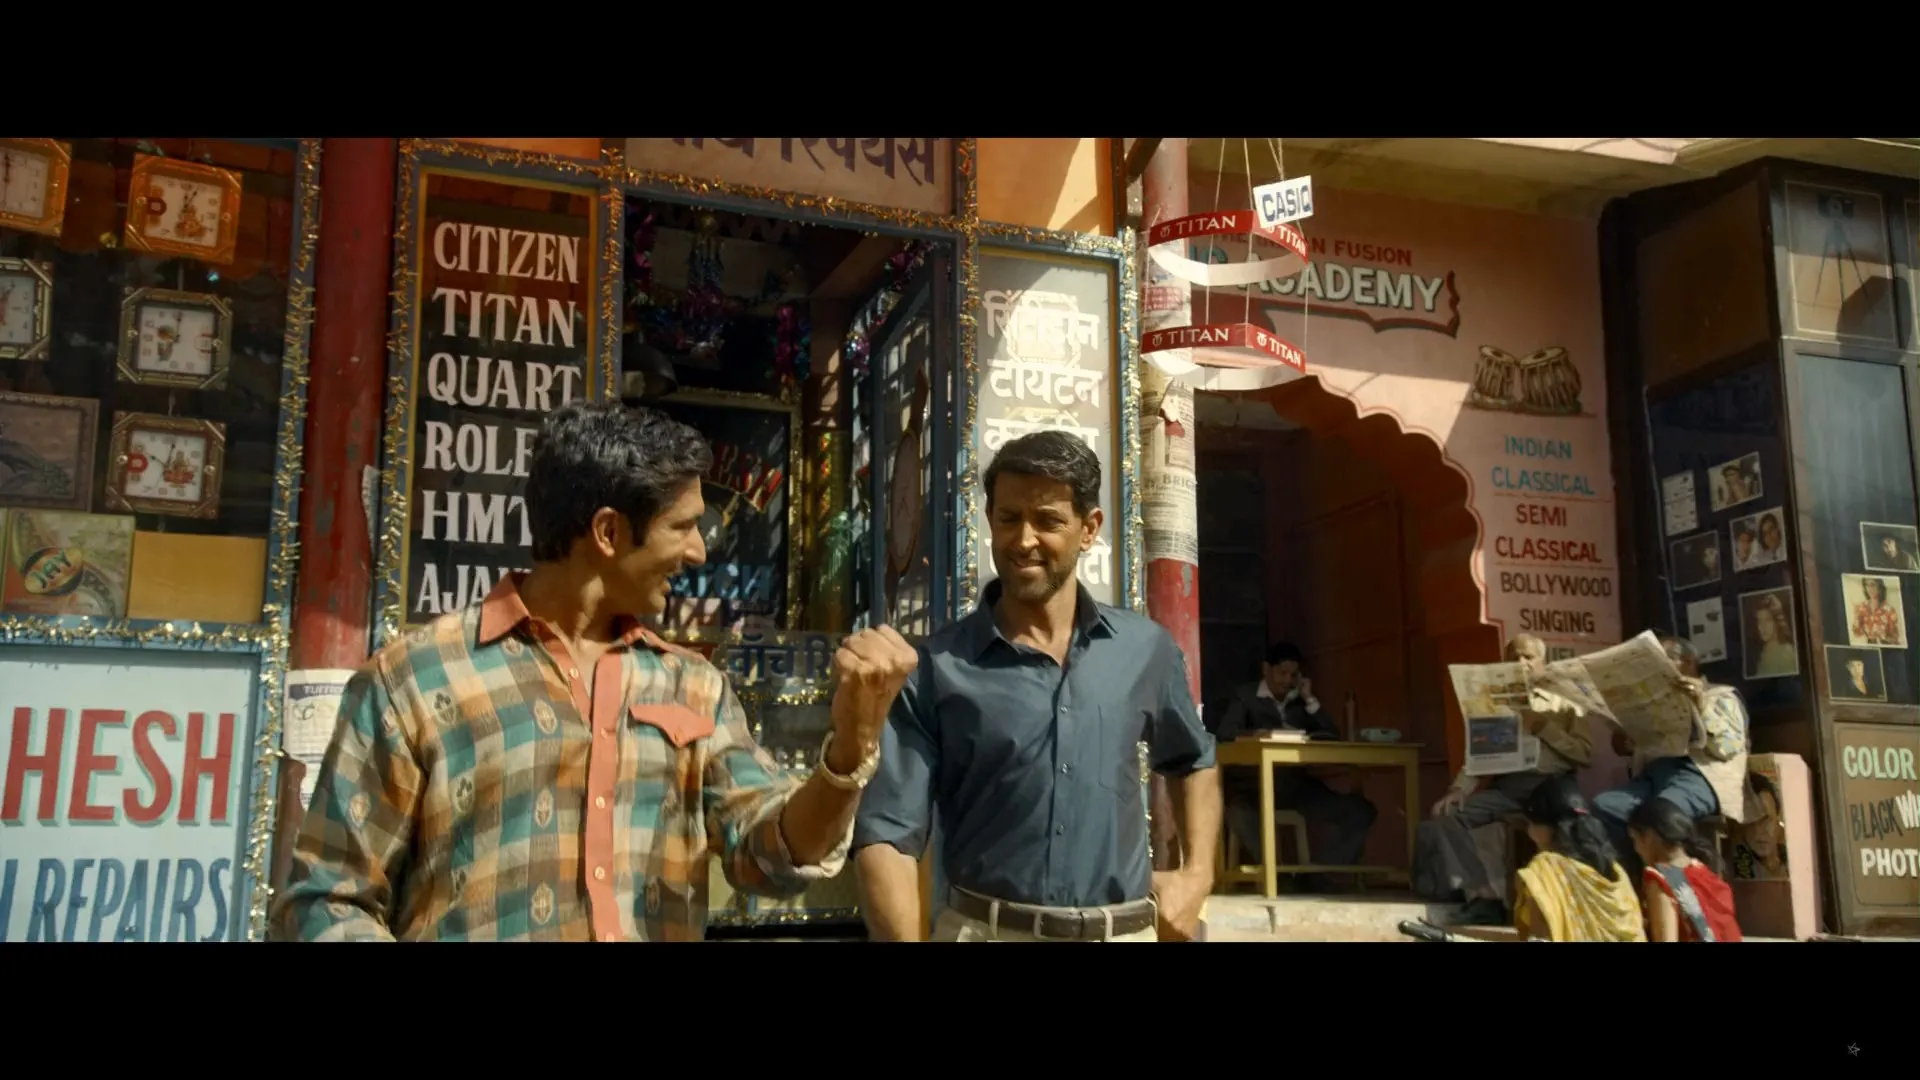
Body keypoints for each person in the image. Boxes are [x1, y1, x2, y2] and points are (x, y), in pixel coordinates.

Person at [271, 403, 918, 941]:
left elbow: (768, 856)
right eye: (683, 526)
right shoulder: (415, 678)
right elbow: (326, 899)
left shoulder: (694, 685)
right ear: (608, 532)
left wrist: (850, 748)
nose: (699, 551)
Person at [853, 431, 1221, 942]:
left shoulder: (1145, 651)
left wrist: (1197, 874)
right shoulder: (936, 668)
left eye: (1047, 521)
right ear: (989, 519)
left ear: (1089, 529)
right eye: (1009, 518)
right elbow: (888, 834)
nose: (1024, 540)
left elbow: (1193, 761)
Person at [1413, 633, 1592, 926]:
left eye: (1528, 657)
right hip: (1508, 788)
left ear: (1542, 662)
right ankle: (1484, 898)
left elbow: (1585, 754)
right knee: (1446, 816)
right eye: (1513, 657)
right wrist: (1459, 789)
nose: (1520, 662)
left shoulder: (1566, 700)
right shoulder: (1493, 699)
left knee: (1571, 818)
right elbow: (1480, 754)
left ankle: (1570, 902)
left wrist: (1543, 727)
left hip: (1552, 783)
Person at [1213, 641, 1377, 894]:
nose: (1287, 681)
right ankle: (1279, 878)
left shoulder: (1300, 701)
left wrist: (1310, 699)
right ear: (1266, 669)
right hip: (1255, 788)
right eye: (1282, 673)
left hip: (1298, 788)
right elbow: (1224, 734)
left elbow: (1331, 735)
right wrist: (1256, 734)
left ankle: (1318, 873)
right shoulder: (1246, 696)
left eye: (1293, 675)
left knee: (1361, 811)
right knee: (1239, 814)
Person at [1595, 634, 1754, 883]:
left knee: (1660, 814)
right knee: (1605, 805)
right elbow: (1628, 746)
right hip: (1654, 774)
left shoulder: (1721, 696)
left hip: (1700, 776)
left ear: (1688, 662)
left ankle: (1675, 890)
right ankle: (1634, 883)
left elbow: (1728, 747)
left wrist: (1701, 707)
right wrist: (1627, 734)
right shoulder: (1653, 700)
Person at [1512, 776, 1645, 942]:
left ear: (1549, 828)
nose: (1529, 831)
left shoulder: (1545, 871)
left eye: (1531, 824)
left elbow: (1541, 937)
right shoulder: (1616, 872)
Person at [1628, 797, 1743, 942]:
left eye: (1634, 840)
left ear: (1649, 837)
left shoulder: (1659, 880)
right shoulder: (1703, 870)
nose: (1636, 849)